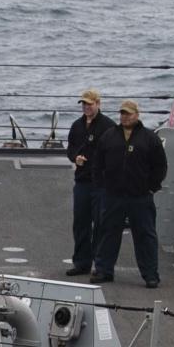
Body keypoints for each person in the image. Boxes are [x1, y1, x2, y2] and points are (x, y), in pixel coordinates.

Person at [91, 99, 168, 286]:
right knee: (108, 233)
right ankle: (104, 270)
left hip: (140, 196)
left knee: (145, 236)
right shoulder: (109, 136)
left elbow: (160, 166)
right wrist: (102, 185)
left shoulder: (150, 138)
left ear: (137, 115)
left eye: (128, 113)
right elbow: (97, 163)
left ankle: (150, 275)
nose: (124, 117)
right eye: (122, 113)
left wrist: (151, 187)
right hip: (113, 195)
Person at [63, 89, 114, 277]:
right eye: (84, 104)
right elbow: (70, 149)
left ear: (98, 104)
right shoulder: (77, 126)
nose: (86, 107)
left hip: (101, 183)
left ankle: (101, 266)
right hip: (83, 181)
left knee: (101, 225)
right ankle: (82, 262)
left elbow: (114, 153)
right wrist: (75, 157)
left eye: (89, 104)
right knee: (81, 223)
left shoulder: (108, 126)